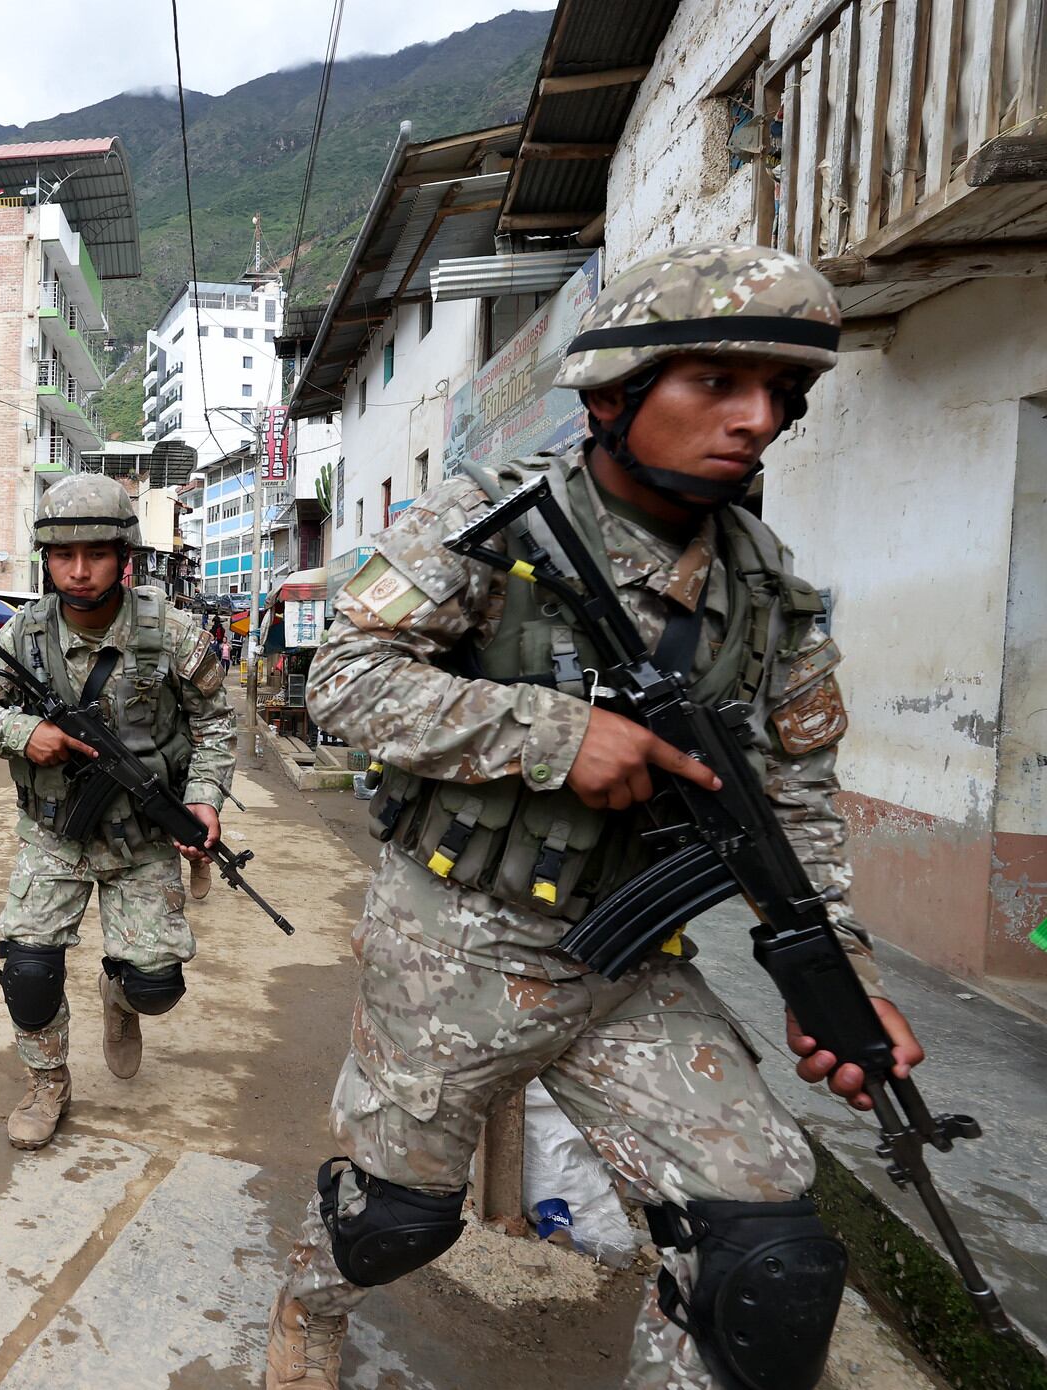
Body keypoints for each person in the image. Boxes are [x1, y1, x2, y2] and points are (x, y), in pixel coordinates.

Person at [262, 244, 926, 1390]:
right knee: (389, 1222)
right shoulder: (487, 521)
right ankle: (307, 1299)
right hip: (453, 938)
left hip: (630, 961)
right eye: (715, 382)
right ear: (615, 392)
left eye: (782, 395)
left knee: (762, 1255)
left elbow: (796, 796)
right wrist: (555, 735)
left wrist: (839, 968)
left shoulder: (768, 595)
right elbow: (343, 682)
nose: (756, 419)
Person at [0, 474, 235, 1150]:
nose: (78, 572)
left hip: (143, 839)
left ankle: (121, 996)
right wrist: (27, 735)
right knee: (27, 970)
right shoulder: (21, 634)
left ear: (125, 557)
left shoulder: (171, 634)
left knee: (156, 985)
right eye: (62, 556)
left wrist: (203, 801)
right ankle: (47, 1082)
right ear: (45, 559)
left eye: (96, 555)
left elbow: (216, 725)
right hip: (55, 834)